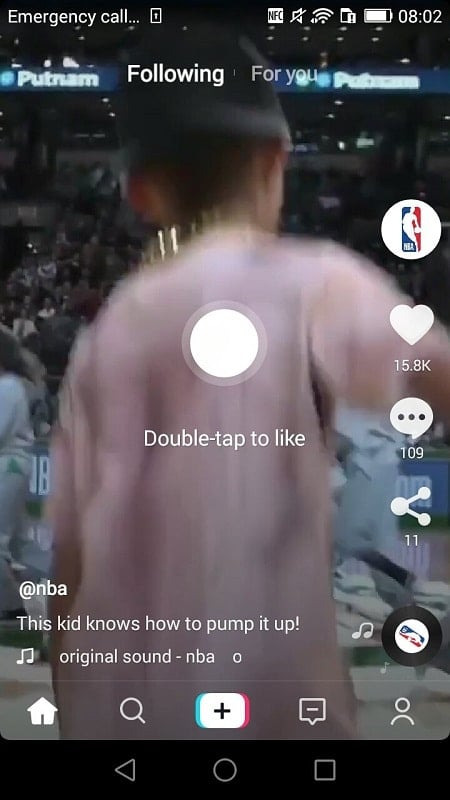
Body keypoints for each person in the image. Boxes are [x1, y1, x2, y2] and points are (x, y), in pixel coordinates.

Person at [48, 26, 450, 740]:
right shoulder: (314, 279)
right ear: (276, 159)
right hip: (278, 705)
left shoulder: (102, 338)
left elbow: (69, 566)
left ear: (139, 192)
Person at [0, 330, 34, 621]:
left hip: (10, 463)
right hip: (11, 464)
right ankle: (15, 604)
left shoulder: (8, 386)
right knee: (10, 543)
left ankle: (12, 605)